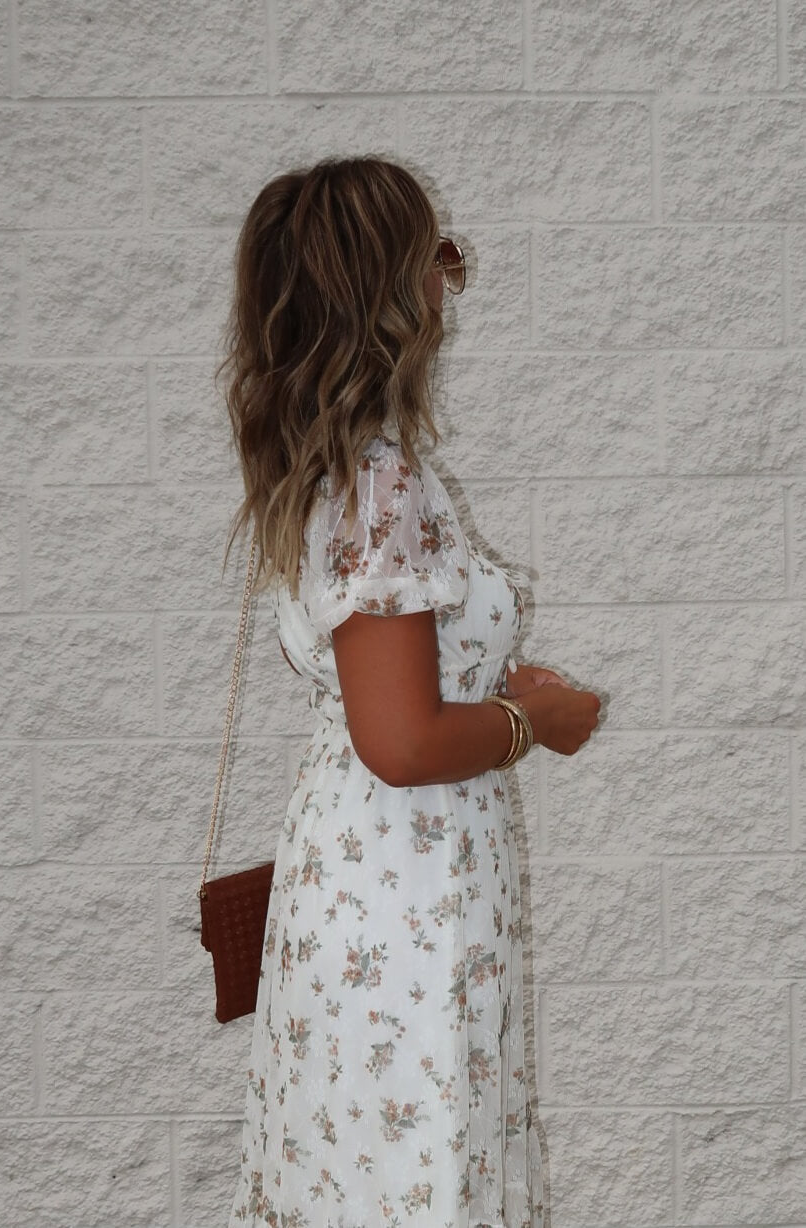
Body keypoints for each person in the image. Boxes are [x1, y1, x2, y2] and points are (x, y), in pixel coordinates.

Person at [219, 154, 601, 1228]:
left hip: (369, 871)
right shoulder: (379, 482)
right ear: (388, 288)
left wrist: (490, 687)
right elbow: (401, 738)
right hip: (402, 885)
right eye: (436, 254)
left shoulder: (332, 467)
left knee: (373, 1173)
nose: (451, 277)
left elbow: (382, 702)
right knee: (411, 1181)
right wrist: (538, 721)